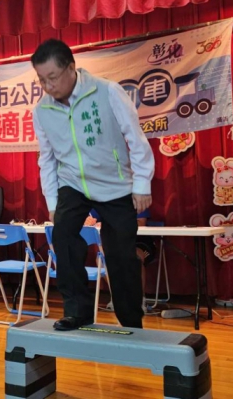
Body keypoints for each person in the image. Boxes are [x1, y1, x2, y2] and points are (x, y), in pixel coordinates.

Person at [32, 39, 155, 331]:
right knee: (62, 236)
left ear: (70, 68)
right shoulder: (42, 110)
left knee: (120, 254)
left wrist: (142, 184)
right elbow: (46, 159)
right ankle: (77, 312)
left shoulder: (107, 91)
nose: (48, 86)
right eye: (41, 80)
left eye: (53, 77)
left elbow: (135, 137)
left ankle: (131, 321)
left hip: (116, 184)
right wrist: (52, 203)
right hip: (73, 183)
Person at [85, 209, 154, 312]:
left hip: (139, 242)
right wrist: (87, 220)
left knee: (135, 257)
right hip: (115, 243)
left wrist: (110, 225)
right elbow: (88, 218)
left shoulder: (136, 201)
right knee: (101, 260)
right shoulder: (103, 202)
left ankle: (139, 300)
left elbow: (140, 223)